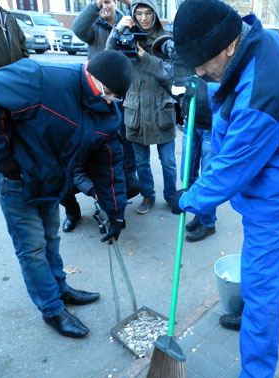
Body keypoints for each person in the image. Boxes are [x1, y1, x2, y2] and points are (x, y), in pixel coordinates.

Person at [171, 1, 279, 378]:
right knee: (258, 273)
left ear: (226, 46)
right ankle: (249, 311)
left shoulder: (262, 93)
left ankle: (257, 373)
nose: (201, 73)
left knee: (262, 285)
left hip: (277, 197)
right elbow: (230, 117)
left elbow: (232, 168)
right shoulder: (260, 41)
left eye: (202, 64)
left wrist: (189, 198)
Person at [0, 50, 133, 338]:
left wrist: (115, 212)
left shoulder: (107, 114)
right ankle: (51, 309)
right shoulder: (42, 79)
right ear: (96, 80)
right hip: (15, 175)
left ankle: (60, 287)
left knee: (51, 237)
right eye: (110, 94)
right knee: (32, 247)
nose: (111, 102)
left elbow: (109, 165)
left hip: (52, 177)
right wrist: (4, 158)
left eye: (116, 98)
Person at [61, 0, 139, 233]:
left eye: (109, 2)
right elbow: (73, 169)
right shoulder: (94, 27)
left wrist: (114, 211)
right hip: (90, 95)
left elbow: (116, 164)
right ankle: (72, 212)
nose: (106, 5)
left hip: (113, 93)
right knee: (62, 182)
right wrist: (93, 189)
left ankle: (109, 208)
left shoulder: (129, 23)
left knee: (128, 179)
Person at [111, 0, 177, 215]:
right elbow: (108, 56)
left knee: (168, 162)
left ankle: (171, 195)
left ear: (155, 14)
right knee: (141, 163)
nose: (144, 18)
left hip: (161, 110)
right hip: (135, 111)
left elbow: (171, 73)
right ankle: (148, 196)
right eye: (139, 13)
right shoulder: (125, 36)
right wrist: (117, 30)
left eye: (148, 13)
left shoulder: (166, 40)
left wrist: (144, 57)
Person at [179, 79, 218, 242]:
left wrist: (203, 93)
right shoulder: (191, 60)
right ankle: (199, 212)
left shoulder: (220, 62)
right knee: (186, 175)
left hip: (211, 126)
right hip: (192, 121)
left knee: (209, 177)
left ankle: (208, 222)